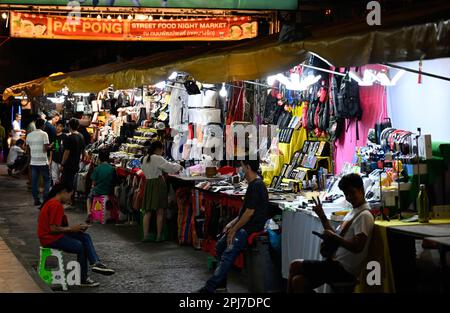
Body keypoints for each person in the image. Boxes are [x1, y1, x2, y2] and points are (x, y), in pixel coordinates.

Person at [287, 173, 374, 293]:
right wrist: (322, 216)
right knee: (298, 282)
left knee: (294, 265)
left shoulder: (364, 215)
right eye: (346, 194)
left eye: (352, 192)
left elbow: (358, 247)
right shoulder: (353, 212)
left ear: (361, 190)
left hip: (343, 269)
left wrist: (333, 237)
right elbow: (337, 236)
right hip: (334, 265)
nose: (349, 197)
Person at [197, 159, 269, 293]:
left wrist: (234, 229)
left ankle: (209, 288)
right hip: (244, 225)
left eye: (242, 167)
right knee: (220, 246)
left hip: (250, 228)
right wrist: (232, 224)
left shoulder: (257, 186)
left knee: (228, 255)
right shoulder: (252, 184)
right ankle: (221, 285)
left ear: (248, 167)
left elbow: (249, 214)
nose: (240, 170)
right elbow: (244, 211)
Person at [37, 183, 115, 287]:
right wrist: (72, 229)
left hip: (51, 236)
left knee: (85, 237)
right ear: (64, 192)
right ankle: (83, 278)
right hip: (50, 238)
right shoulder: (55, 205)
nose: (70, 198)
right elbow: (53, 229)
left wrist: (75, 229)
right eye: (70, 195)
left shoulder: (52, 203)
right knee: (81, 247)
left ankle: (95, 263)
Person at [141, 140, 182, 242]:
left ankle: (145, 236)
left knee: (148, 211)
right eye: (162, 149)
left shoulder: (145, 158)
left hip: (149, 184)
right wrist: (179, 166)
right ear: (158, 149)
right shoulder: (158, 158)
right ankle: (159, 236)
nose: (163, 151)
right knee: (160, 211)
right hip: (158, 184)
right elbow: (170, 168)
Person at [26, 118, 52, 206]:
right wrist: (51, 145)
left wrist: (30, 160)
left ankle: (36, 200)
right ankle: (45, 197)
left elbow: (28, 150)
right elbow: (46, 148)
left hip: (33, 162)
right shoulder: (44, 134)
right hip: (43, 162)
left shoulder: (29, 135)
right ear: (42, 125)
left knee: (34, 181)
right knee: (47, 180)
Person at [86, 149, 117, 220]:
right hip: (109, 191)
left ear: (99, 158)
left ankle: (89, 213)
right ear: (108, 158)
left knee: (89, 198)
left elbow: (93, 183)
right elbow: (114, 181)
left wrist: (92, 187)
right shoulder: (112, 169)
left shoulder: (97, 168)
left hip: (98, 191)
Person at [61, 118, 86, 188]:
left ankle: (68, 196)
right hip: (76, 163)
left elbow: (66, 152)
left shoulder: (69, 138)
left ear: (69, 126)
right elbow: (84, 150)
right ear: (78, 126)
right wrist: (83, 159)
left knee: (67, 182)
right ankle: (71, 195)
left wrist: (62, 163)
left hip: (69, 164)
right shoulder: (81, 136)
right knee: (73, 181)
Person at [49, 120, 67, 185]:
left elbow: (66, 150)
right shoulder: (53, 136)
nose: (58, 128)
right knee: (54, 177)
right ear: (55, 126)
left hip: (61, 160)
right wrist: (50, 160)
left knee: (61, 178)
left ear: (63, 128)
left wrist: (64, 162)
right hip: (54, 159)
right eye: (57, 126)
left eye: (60, 126)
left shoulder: (65, 137)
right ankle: (54, 191)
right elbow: (51, 150)